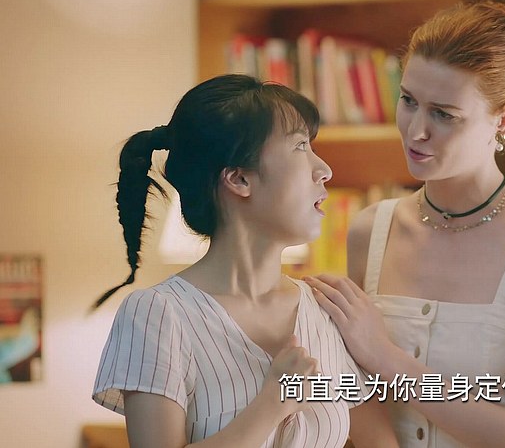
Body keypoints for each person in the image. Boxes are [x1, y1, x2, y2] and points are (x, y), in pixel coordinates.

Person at [305, 0, 505, 448]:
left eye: (444, 114)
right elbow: (354, 395)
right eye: (408, 101)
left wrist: (385, 357)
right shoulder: (370, 230)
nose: (416, 130)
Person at [91, 74, 396, 448]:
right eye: (300, 146)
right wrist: (271, 404)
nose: (324, 169)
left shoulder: (328, 310)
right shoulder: (158, 314)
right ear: (239, 179)